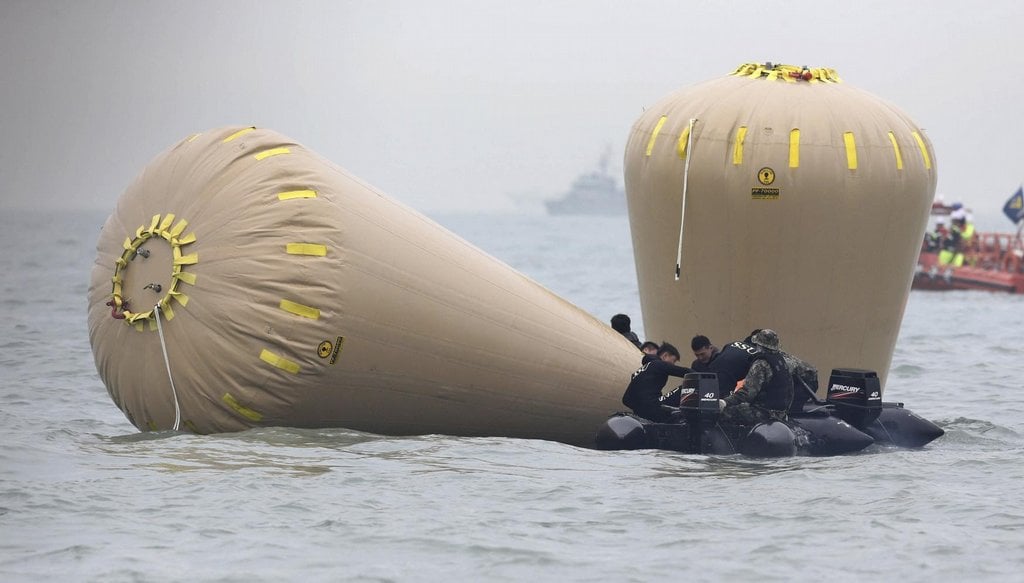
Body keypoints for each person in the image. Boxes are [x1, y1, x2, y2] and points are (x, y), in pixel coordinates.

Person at [718, 329, 794, 426]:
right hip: (781, 413)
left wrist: (725, 402)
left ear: (759, 345)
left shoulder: (761, 364)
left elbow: (747, 393)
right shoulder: (782, 360)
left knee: (724, 413)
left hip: (764, 413)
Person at [621, 342, 691, 422]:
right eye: (673, 360)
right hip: (653, 408)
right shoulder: (659, 364)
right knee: (688, 386)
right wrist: (701, 375)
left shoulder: (639, 371)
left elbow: (626, 399)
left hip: (638, 412)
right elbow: (685, 372)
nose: (673, 364)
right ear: (665, 355)